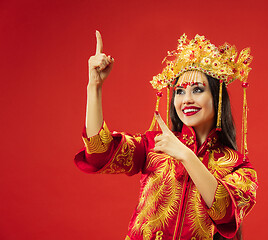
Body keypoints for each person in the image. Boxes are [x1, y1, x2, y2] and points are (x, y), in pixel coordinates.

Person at [75, 31, 258, 240]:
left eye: (197, 90)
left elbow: (225, 212)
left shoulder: (238, 166)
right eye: (180, 91)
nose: (186, 100)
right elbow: (99, 150)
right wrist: (94, 87)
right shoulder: (155, 145)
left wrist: (187, 156)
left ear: (217, 97)